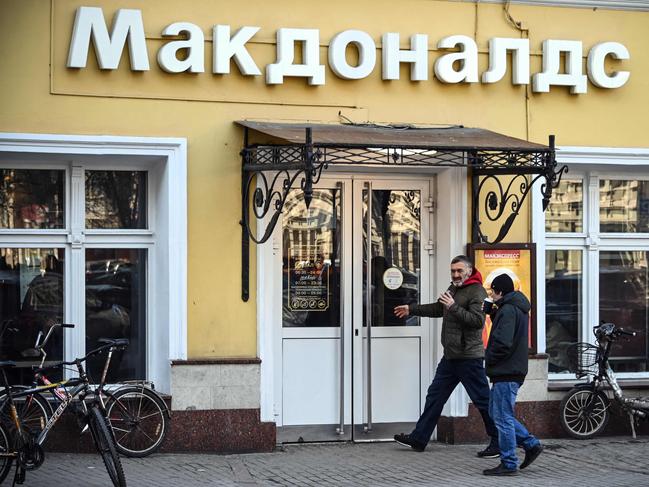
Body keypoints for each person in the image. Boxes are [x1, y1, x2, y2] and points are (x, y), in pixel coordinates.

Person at [393, 255, 499, 457]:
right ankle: (419, 438)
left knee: (483, 401)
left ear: (469, 271)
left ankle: (498, 441)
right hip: (451, 357)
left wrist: (453, 306)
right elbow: (438, 308)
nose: (456, 274)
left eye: (459, 271)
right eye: (453, 271)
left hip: (469, 357)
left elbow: (477, 321)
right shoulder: (454, 289)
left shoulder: (477, 291)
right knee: (435, 396)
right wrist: (411, 309)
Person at [482, 273, 543, 476]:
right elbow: (506, 332)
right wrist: (492, 314)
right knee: (496, 413)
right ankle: (530, 444)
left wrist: (488, 357)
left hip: (506, 371)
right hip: (510, 370)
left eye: (492, 291)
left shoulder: (508, 310)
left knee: (502, 418)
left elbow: (502, 342)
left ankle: (509, 463)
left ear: (500, 291)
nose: (491, 294)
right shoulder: (514, 307)